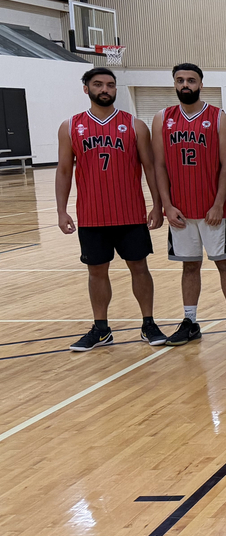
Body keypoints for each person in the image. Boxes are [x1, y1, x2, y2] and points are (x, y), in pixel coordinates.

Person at [57, 67, 168, 351]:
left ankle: (148, 323)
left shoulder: (134, 125)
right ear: (86, 89)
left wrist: (157, 205)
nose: (105, 89)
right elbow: (64, 171)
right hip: (91, 215)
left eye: (110, 84)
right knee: (96, 272)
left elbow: (150, 167)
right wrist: (61, 210)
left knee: (139, 268)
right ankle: (101, 329)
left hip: (130, 213)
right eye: (98, 84)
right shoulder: (70, 126)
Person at [153, 63, 226, 345]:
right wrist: (167, 206)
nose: (185, 85)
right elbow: (159, 166)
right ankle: (190, 321)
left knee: (225, 263)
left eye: (191, 80)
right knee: (189, 266)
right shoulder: (162, 118)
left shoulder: (218, 117)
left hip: (213, 210)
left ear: (201, 84)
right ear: (174, 84)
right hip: (180, 211)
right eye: (180, 80)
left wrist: (218, 203)